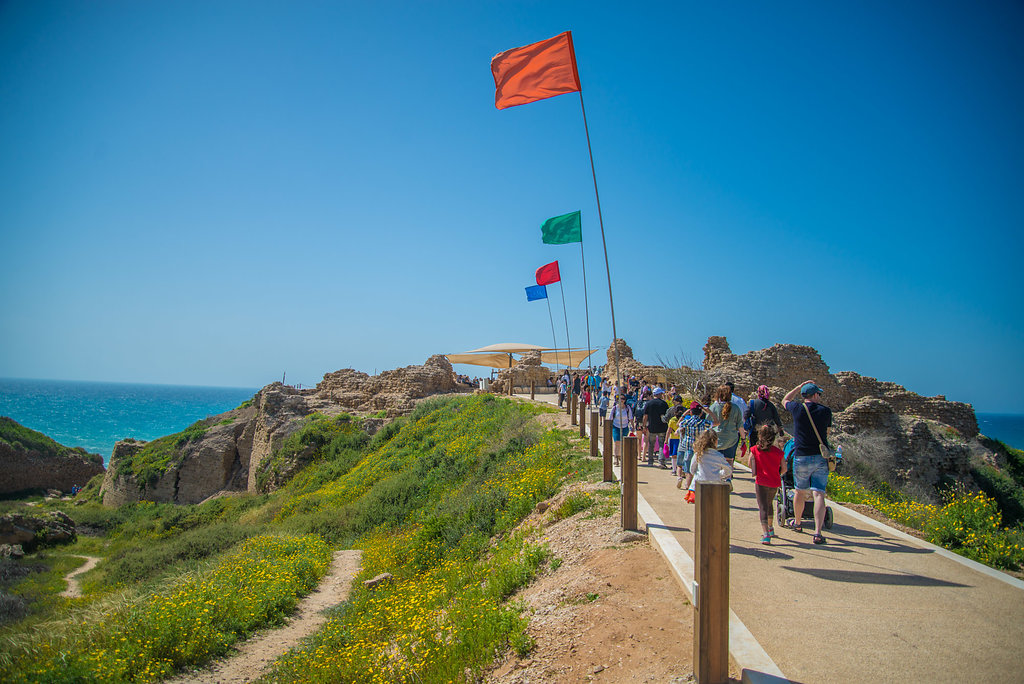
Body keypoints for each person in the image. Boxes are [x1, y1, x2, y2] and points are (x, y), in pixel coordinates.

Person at [782, 380, 833, 544]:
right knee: (819, 493)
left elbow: (785, 400)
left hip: (801, 455)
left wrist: (798, 387)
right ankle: (818, 532)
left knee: (799, 491)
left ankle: (797, 523)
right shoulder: (826, 411)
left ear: (804, 395)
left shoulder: (797, 409)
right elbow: (828, 432)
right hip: (820, 456)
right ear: (816, 395)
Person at [750, 424, 787, 544]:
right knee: (769, 503)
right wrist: (777, 473)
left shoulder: (755, 450)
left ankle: (766, 534)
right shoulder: (778, 452)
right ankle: (771, 528)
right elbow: (784, 469)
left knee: (763, 507)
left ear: (760, 435)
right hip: (774, 481)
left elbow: (751, 464)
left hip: (761, 481)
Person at [701, 384, 745, 476]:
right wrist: (744, 439)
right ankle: (728, 478)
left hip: (717, 439)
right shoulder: (736, 408)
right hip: (731, 439)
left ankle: (718, 479)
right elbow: (740, 425)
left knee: (716, 461)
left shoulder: (714, 407)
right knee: (729, 460)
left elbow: (707, 424)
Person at [685, 429, 731, 503]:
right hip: (714, 484)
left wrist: (697, 474)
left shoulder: (698, 454)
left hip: (698, 484)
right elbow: (728, 470)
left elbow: (692, 469)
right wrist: (720, 474)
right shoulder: (718, 456)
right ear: (716, 441)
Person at [678, 401, 712, 490]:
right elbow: (716, 423)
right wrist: (709, 412)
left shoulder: (687, 422)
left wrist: (685, 413)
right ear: (701, 413)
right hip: (700, 448)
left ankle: (688, 487)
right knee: (698, 468)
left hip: (689, 447)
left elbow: (679, 424)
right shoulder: (704, 423)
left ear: (691, 412)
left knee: (689, 469)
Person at [642, 387, 670, 468]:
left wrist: (644, 426)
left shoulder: (649, 403)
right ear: (659, 394)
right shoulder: (664, 404)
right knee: (661, 444)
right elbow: (666, 416)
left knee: (651, 444)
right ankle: (661, 461)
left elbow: (645, 416)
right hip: (662, 427)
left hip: (652, 427)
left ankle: (650, 461)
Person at [609, 397, 633, 466]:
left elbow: (631, 418)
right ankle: (616, 458)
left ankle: (620, 456)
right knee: (617, 442)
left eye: (623, 399)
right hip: (616, 427)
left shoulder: (627, 408)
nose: (621, 400)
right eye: (620, 399)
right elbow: (610, 418)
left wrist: (633, 426)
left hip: (625, 427)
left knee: (622, 443)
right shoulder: (615, 408)